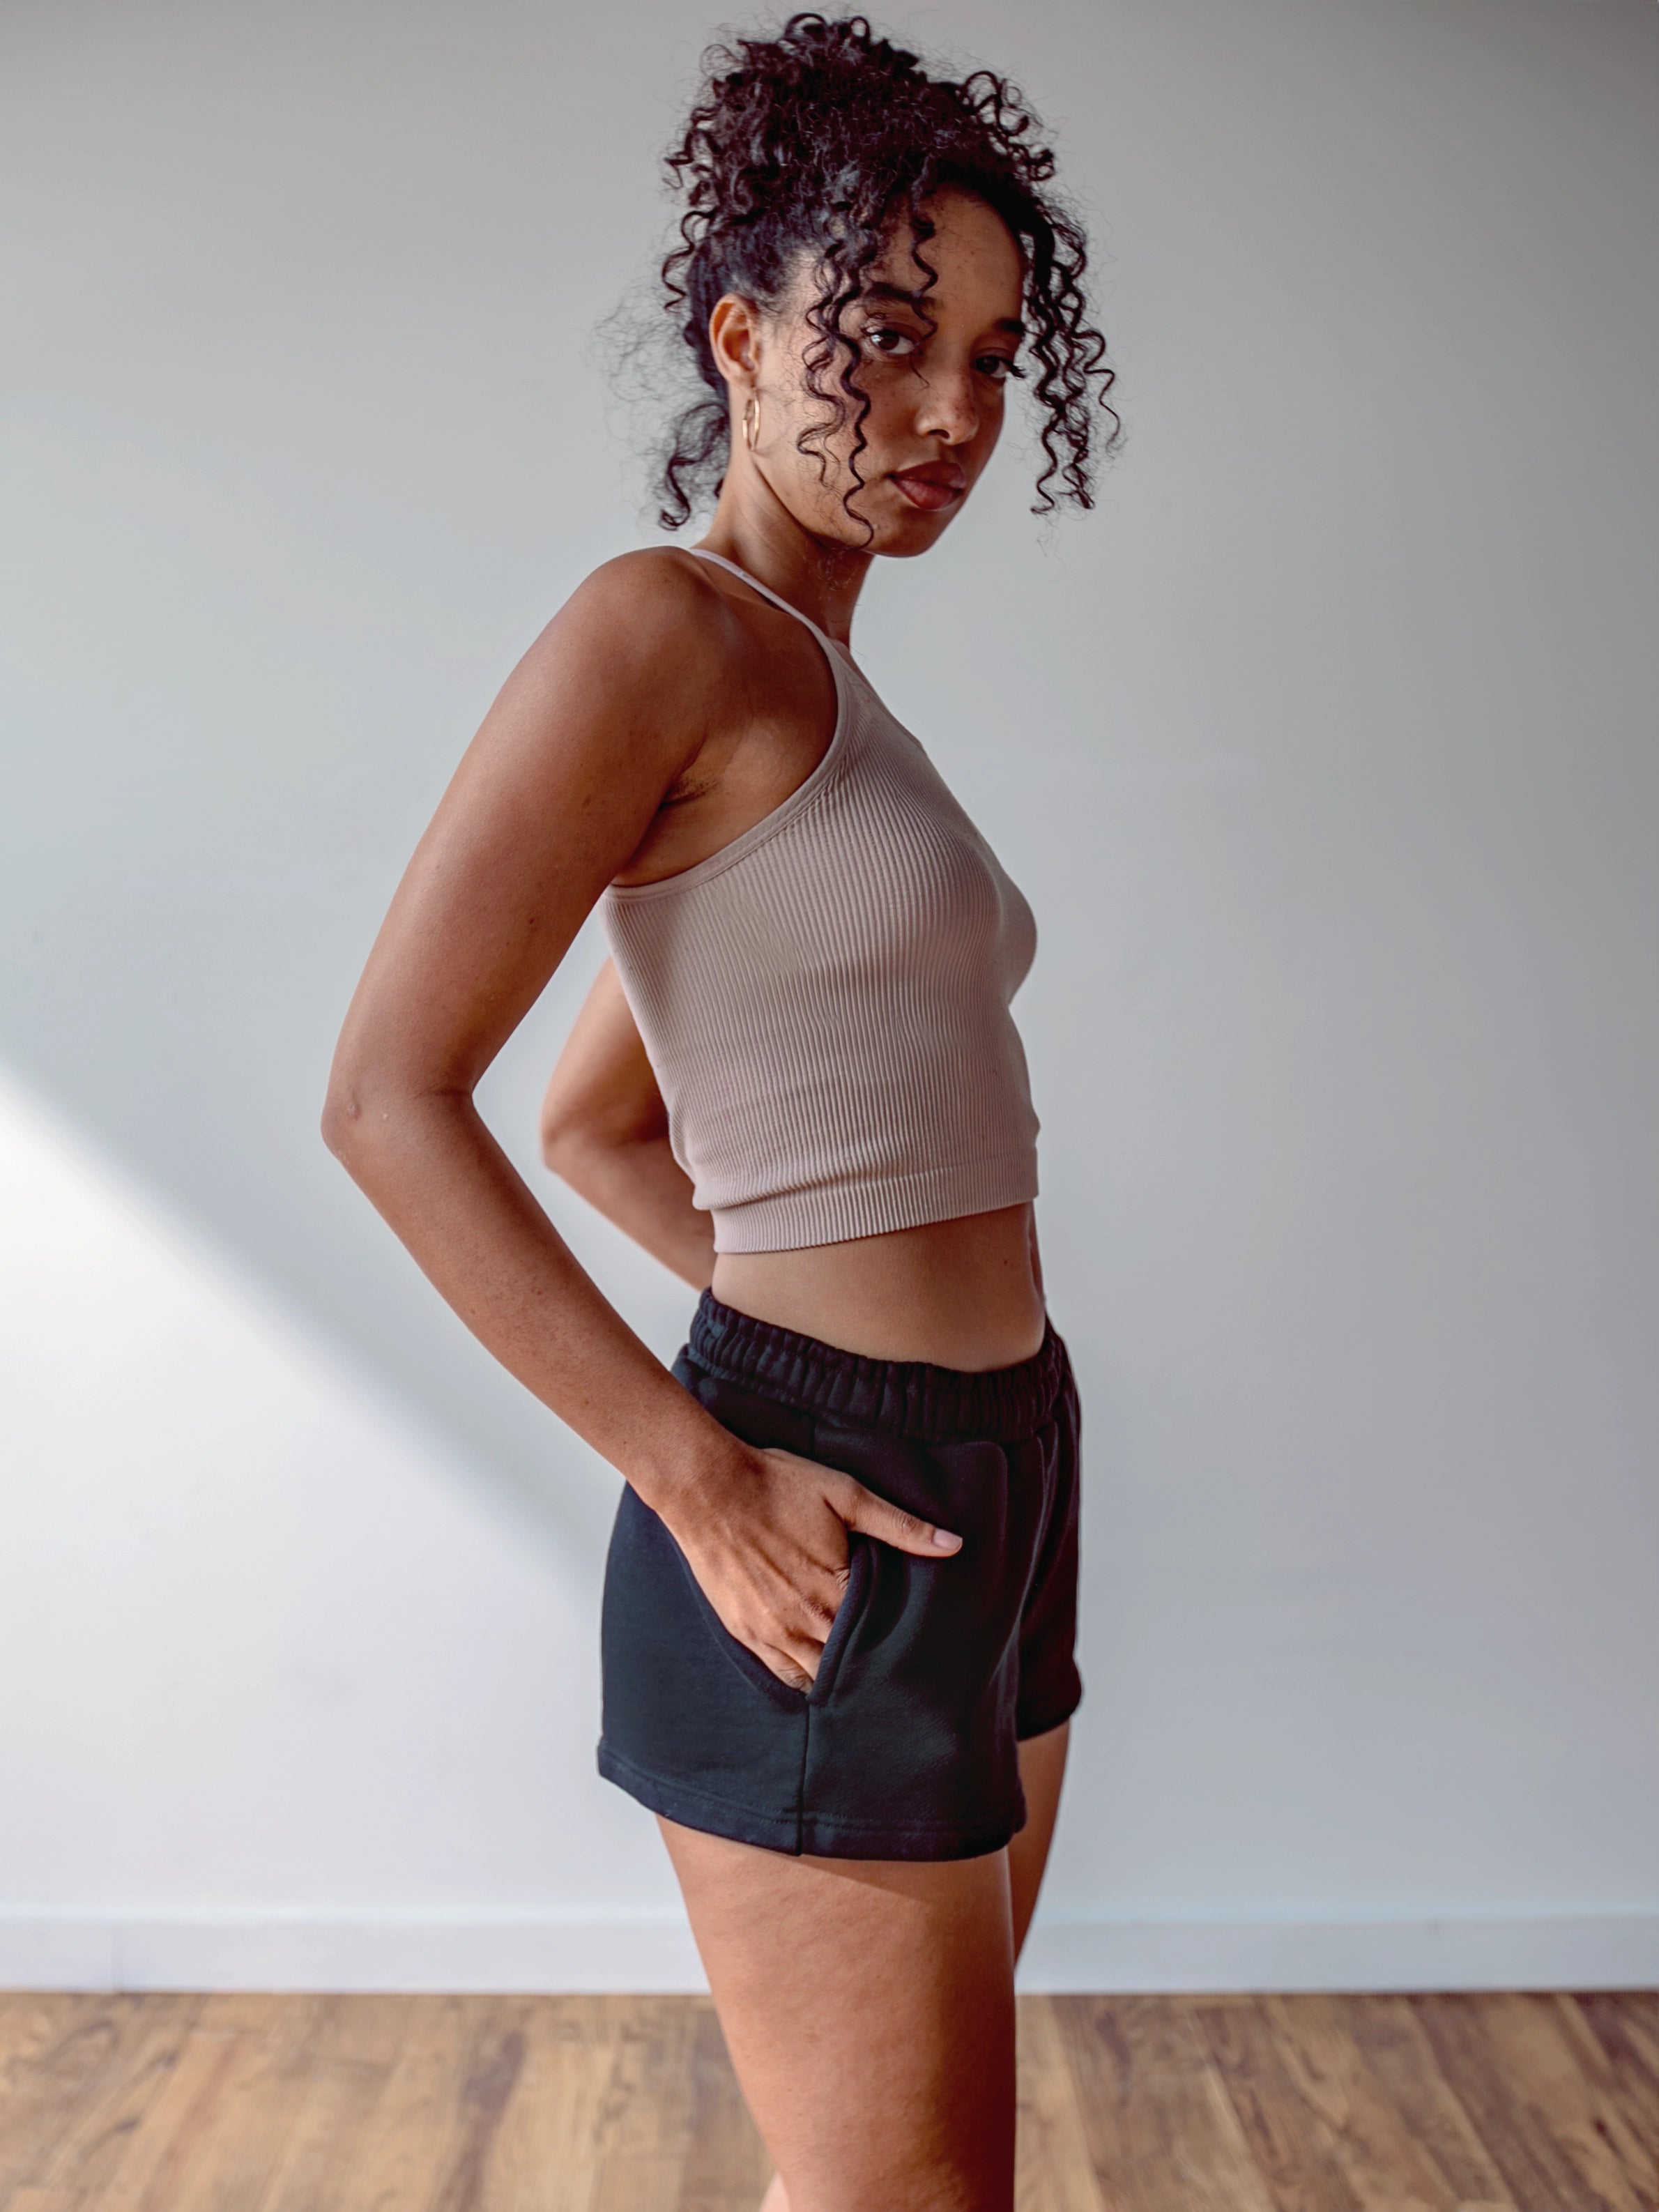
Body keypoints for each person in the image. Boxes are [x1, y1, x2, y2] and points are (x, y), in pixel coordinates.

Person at [322, 14, 1119, 2207]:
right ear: (742, 338)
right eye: (888, 340)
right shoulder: (655, 632)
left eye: (990, 357)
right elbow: (388, 1096)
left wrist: (871, 1350)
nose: (951, 412)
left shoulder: (819, 683)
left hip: (993, 1460)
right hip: (819, 1495)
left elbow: (599, 1121)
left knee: (862, 2179)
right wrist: (702, 1465)